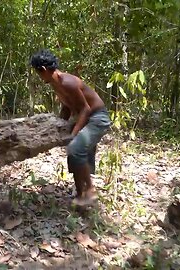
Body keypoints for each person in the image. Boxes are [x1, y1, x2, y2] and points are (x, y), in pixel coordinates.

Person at [29, 49, 111, 206]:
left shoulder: (67, 82)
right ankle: (81, 194)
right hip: (85, 118)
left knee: (75, 148)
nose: (39, 78)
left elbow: (85, 109)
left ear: (44, 70)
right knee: (75, 154)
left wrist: (74, 133)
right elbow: (67, 107)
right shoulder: (56, 84)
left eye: (39, 73)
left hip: (97, 117)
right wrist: (58, 126)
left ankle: (90, 191)